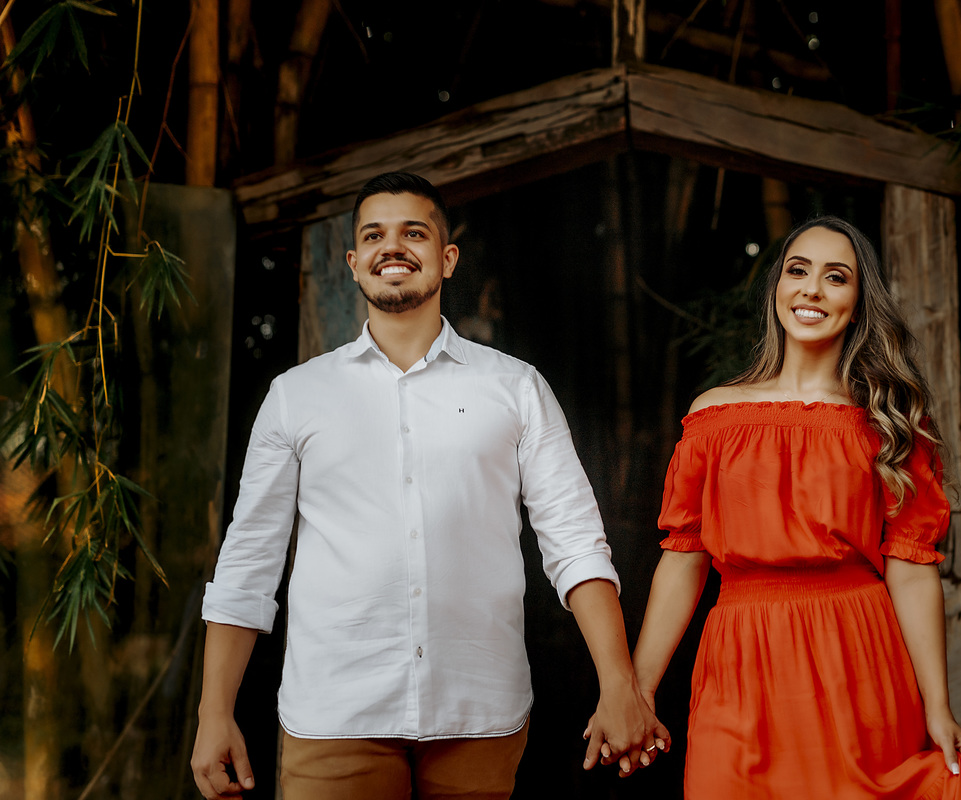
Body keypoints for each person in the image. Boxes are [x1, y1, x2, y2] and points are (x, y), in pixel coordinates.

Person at [190, 171, 667, 800]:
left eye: (413, 232)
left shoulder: (516, 387)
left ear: (446, 259)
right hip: (335, 711)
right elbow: (249, 561)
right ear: (354, 263)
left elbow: (575, 543)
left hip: (480, 710)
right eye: (375, 235)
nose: (394, 247)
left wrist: (618, 684)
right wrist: (213, 714)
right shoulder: (296, 396)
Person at [626, 216, 961, 797]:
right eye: (798, 270)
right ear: (776, 290)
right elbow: (684, 556)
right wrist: (639, 689)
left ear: (860, 303)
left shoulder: (887, 423)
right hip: (739, 655)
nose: (812, 289)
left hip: (857, 653)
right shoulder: (713, 415)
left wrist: (937, 707)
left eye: (836, 277)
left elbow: (912, 570)